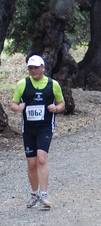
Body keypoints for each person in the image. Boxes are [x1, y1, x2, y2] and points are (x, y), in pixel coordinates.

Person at [10, 54, 65, 210]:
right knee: (31, 163)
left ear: (43, 68)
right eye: (30, 68)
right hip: (28, 129)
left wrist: (56, 108)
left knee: (41, 158)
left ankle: (44, 194)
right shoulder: (22, 84)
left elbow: (61, 103)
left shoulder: (53, 84)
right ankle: (34, 193)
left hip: (45, 127)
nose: (33, 70)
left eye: (35, 67)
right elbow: (13, 104)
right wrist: (17, 108)